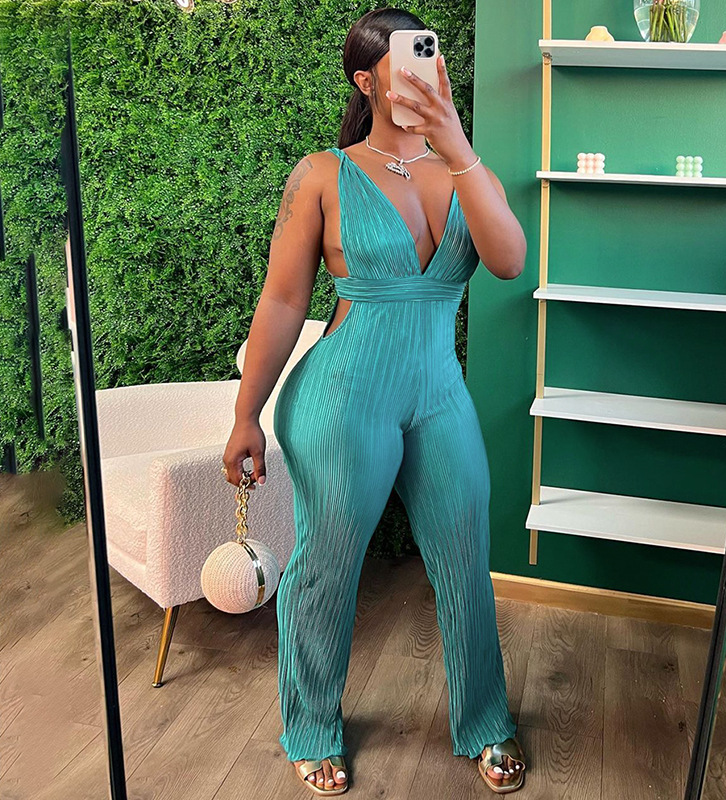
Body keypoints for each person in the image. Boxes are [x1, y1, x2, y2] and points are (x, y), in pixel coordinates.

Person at [222, 7, 527, 796]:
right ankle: (311, 725)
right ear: (367, 80)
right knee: (326, 568)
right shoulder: (322, 174)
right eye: (405, 65)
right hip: (342, 396)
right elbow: (283, 301)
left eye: (432, 61)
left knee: (466, 558)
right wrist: (245, 415)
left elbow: (508, 261)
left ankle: (484, 719)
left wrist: (457, 146)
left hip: (438, 395)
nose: (426, 77)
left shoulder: (464, 169)